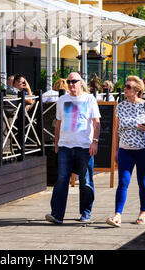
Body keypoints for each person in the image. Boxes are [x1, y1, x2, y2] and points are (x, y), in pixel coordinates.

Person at [106, 75, 145, 228]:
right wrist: (115, 150)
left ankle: (143, 212)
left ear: (137, 90)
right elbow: (116, 130)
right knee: (123, 182)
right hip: (125, 150)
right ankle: (118, 215)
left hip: (143, 150)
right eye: (125, 86)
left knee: (142, 182)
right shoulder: (120, 106)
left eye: (128, 87)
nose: (125, 88)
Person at [45, 72, 101, 225]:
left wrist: (94, 141)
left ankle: (85, 212)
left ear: (81, 82)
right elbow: (58, 123)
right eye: (68, 82)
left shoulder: (90, 99)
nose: (70, 84)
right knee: (62, 179)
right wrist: (56, 143)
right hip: (65, 146)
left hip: (84, 146)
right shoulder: (62, 100)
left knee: (86, 180)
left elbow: (96, 122)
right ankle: (57, 214)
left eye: (74, 81)